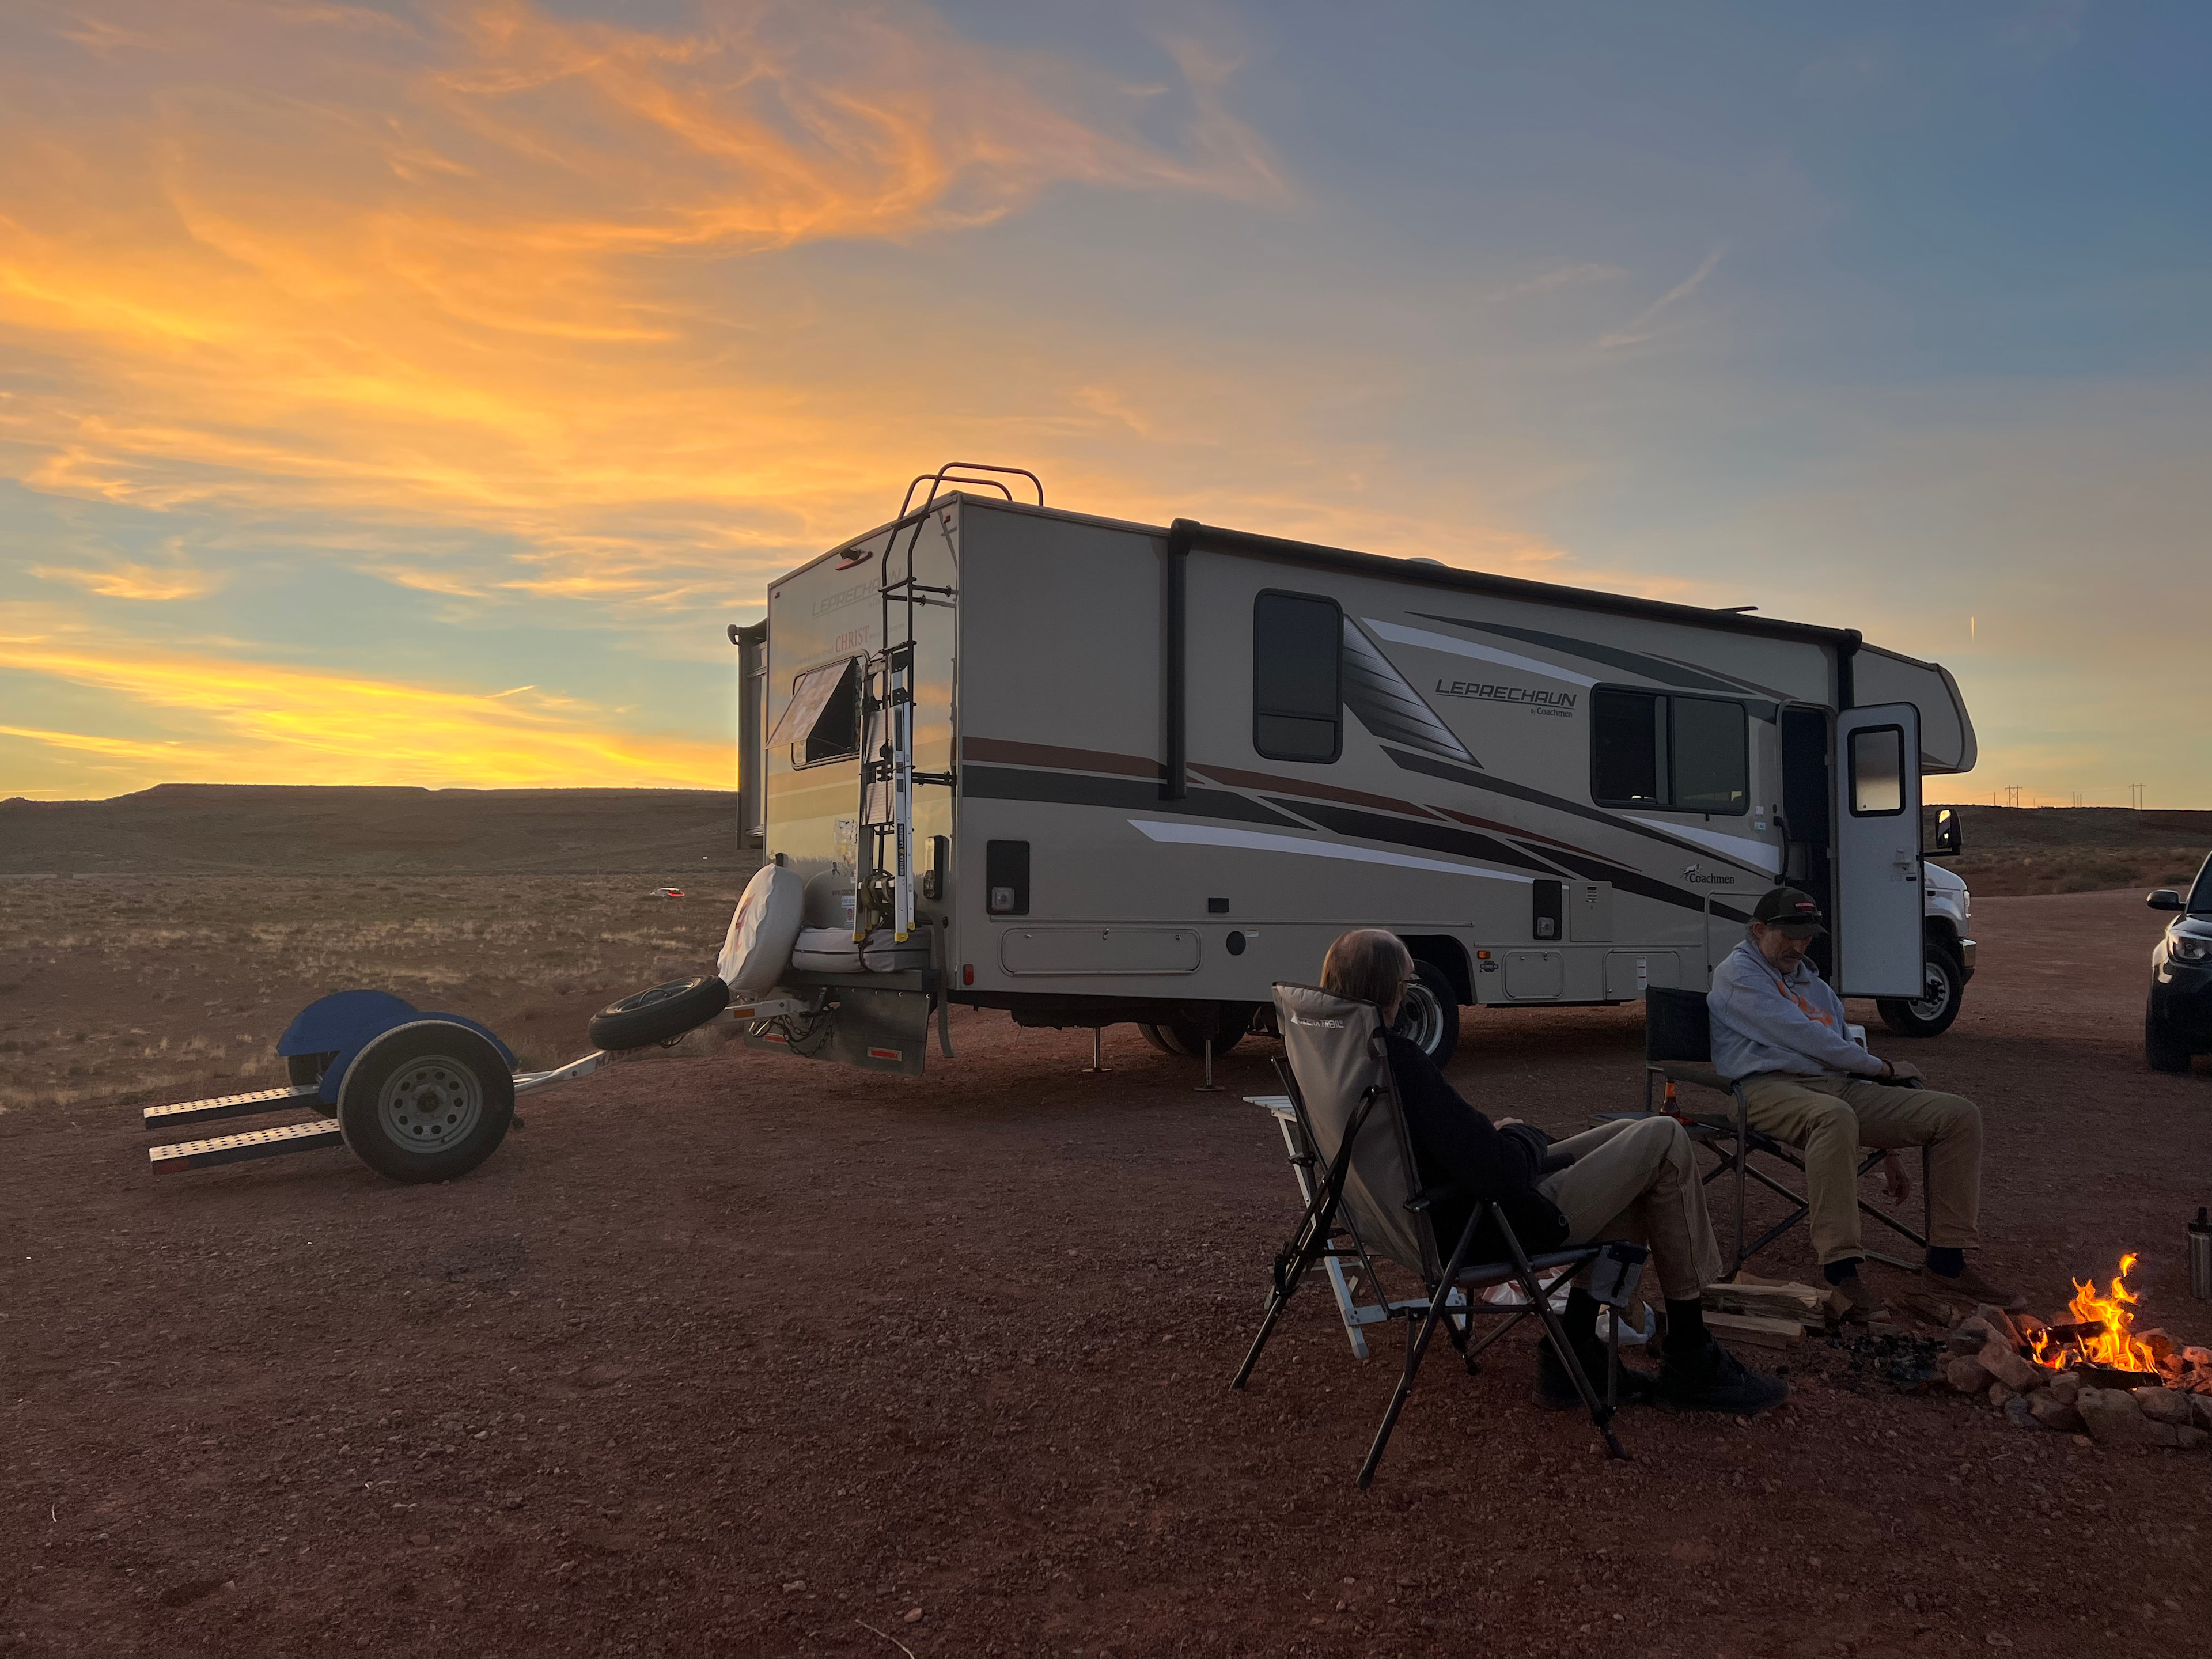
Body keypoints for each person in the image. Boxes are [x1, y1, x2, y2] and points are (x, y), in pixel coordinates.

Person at [1319, 929, 1786, 1416]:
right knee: (1664, 1141)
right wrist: (1519, 1134)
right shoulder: (1401, 1063)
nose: (1409, 989)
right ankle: (1689, 1350)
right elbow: (1500, 1172)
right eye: (1406, 981)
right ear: (1390, 989)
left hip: (1427, 1219)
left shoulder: (1345, 1061)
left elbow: (1462, 1149)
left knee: (1631, 1137)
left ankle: (1574, 1349)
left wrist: (1503, 1141)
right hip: (1492, 1224)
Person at [1706, 885, 2022, 1323]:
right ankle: (1842, 1272)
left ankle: (1947, 1264)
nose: (1799, 946)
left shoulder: (1814, 985)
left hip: (1837, 1088)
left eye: (1807, 936)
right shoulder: (1739, 974)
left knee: (1957, 1115)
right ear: (1760, 930)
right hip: (1762, 1090)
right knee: (1834, 1118)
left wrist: (1888, 1148)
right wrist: (1884, 1069)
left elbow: (1843, 1046)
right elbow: (1805, 1037)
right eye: (1789, 935)